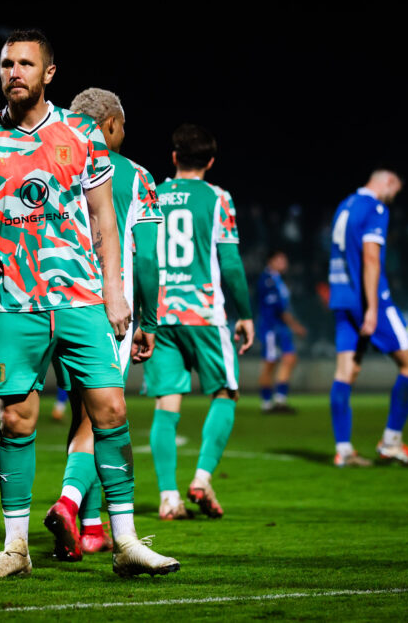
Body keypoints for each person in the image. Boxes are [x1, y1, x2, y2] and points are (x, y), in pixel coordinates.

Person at [0, 29, 178, 578]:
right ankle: (15, 548)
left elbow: (104, 220)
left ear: (49, 73)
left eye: (26, 63)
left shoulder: (79, 134)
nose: (14, 72)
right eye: (6, 64)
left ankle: (124, 542)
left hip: (80, 299)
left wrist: (117, 294)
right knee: (16, 420)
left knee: (112, 412)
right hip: (12, 304)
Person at [42, 87, 163, 561]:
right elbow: (148, 256)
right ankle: (70, 504)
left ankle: (92, 528)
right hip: (105, 307)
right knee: (102, 415)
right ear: (111, 124)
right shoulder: (135, 174)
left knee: (80, 413)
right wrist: (147, 319)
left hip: (49, 302)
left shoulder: (47, 157)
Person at [141, 125, 254, 522]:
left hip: (161, 314)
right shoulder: (218, 197)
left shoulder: (151, 192)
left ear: (173, 158)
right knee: (226, 392)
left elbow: (142, 257)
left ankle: (169, 497)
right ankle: (202, 479)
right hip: (204, 314)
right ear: (209, 161)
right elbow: (231, 264)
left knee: (166, 404)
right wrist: (246, 315)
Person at [327, 169, 408, 467]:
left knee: (345, 373)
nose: (393, 198)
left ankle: (343, 451)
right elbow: (371, 257)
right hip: (370, 299)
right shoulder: (375, 207)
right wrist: (372, 308)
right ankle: (391, 442)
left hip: (342, 297)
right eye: (394, 191)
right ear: (388, 182)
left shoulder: (344, 205)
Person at [256, 249, 307, 414]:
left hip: (280, 328)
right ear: (270, 261)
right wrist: (295, 326)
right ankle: (266, 403)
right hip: (271, 327)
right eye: (280, 260)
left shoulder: (278, 280)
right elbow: (279, 309)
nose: (284, 263)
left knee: (289, 358)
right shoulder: (267, 280)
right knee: (269, 363)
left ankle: (279, 400)